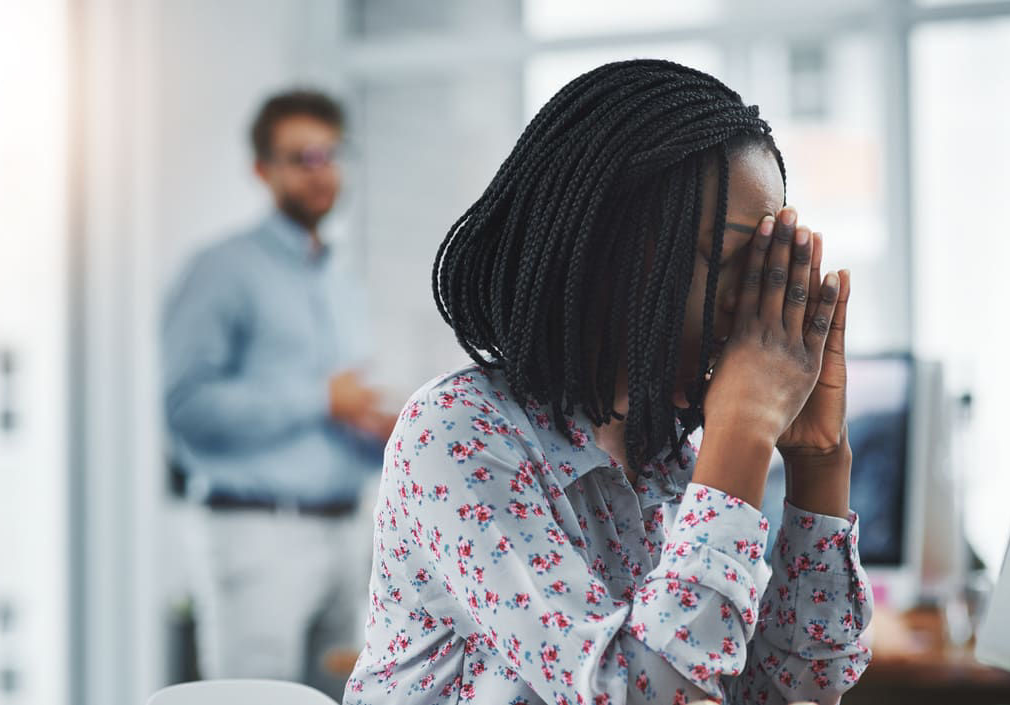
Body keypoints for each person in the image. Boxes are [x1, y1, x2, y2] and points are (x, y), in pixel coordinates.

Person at [345, 60, 872, 704]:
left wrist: (817, 464)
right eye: (736, 261)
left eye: (769, 269)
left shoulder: (666, 457)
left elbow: (785, 694)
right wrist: (741, 434)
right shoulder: (457, 433)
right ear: (607, 248)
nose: (758, 309)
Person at [162, 89, 396, 684]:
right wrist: (319, 398)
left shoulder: (341, 284)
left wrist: (381, 431)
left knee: (343, 694)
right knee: (255, 700)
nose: (321, 172)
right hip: (258, 536)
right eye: (301, 158)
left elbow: (339, 408)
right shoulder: (222, 271)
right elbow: (186, 408)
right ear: (263, 170)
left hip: (346, 530)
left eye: (330, 154)